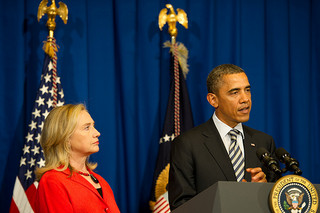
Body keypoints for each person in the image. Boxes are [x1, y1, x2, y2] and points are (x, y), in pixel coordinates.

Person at [168, 64, 278, 210]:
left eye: (247, 90)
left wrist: (264, 191)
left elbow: (276, 202)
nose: (245, 99)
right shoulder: (188, 144)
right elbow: (181, 206)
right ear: (213, 100)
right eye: (234, 92)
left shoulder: (263, 141)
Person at [35, 104, 120, 213]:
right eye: (87, 128)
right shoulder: (53, 182)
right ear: (65, 137)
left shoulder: (101, 182)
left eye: (93, 126)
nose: (97, 133)